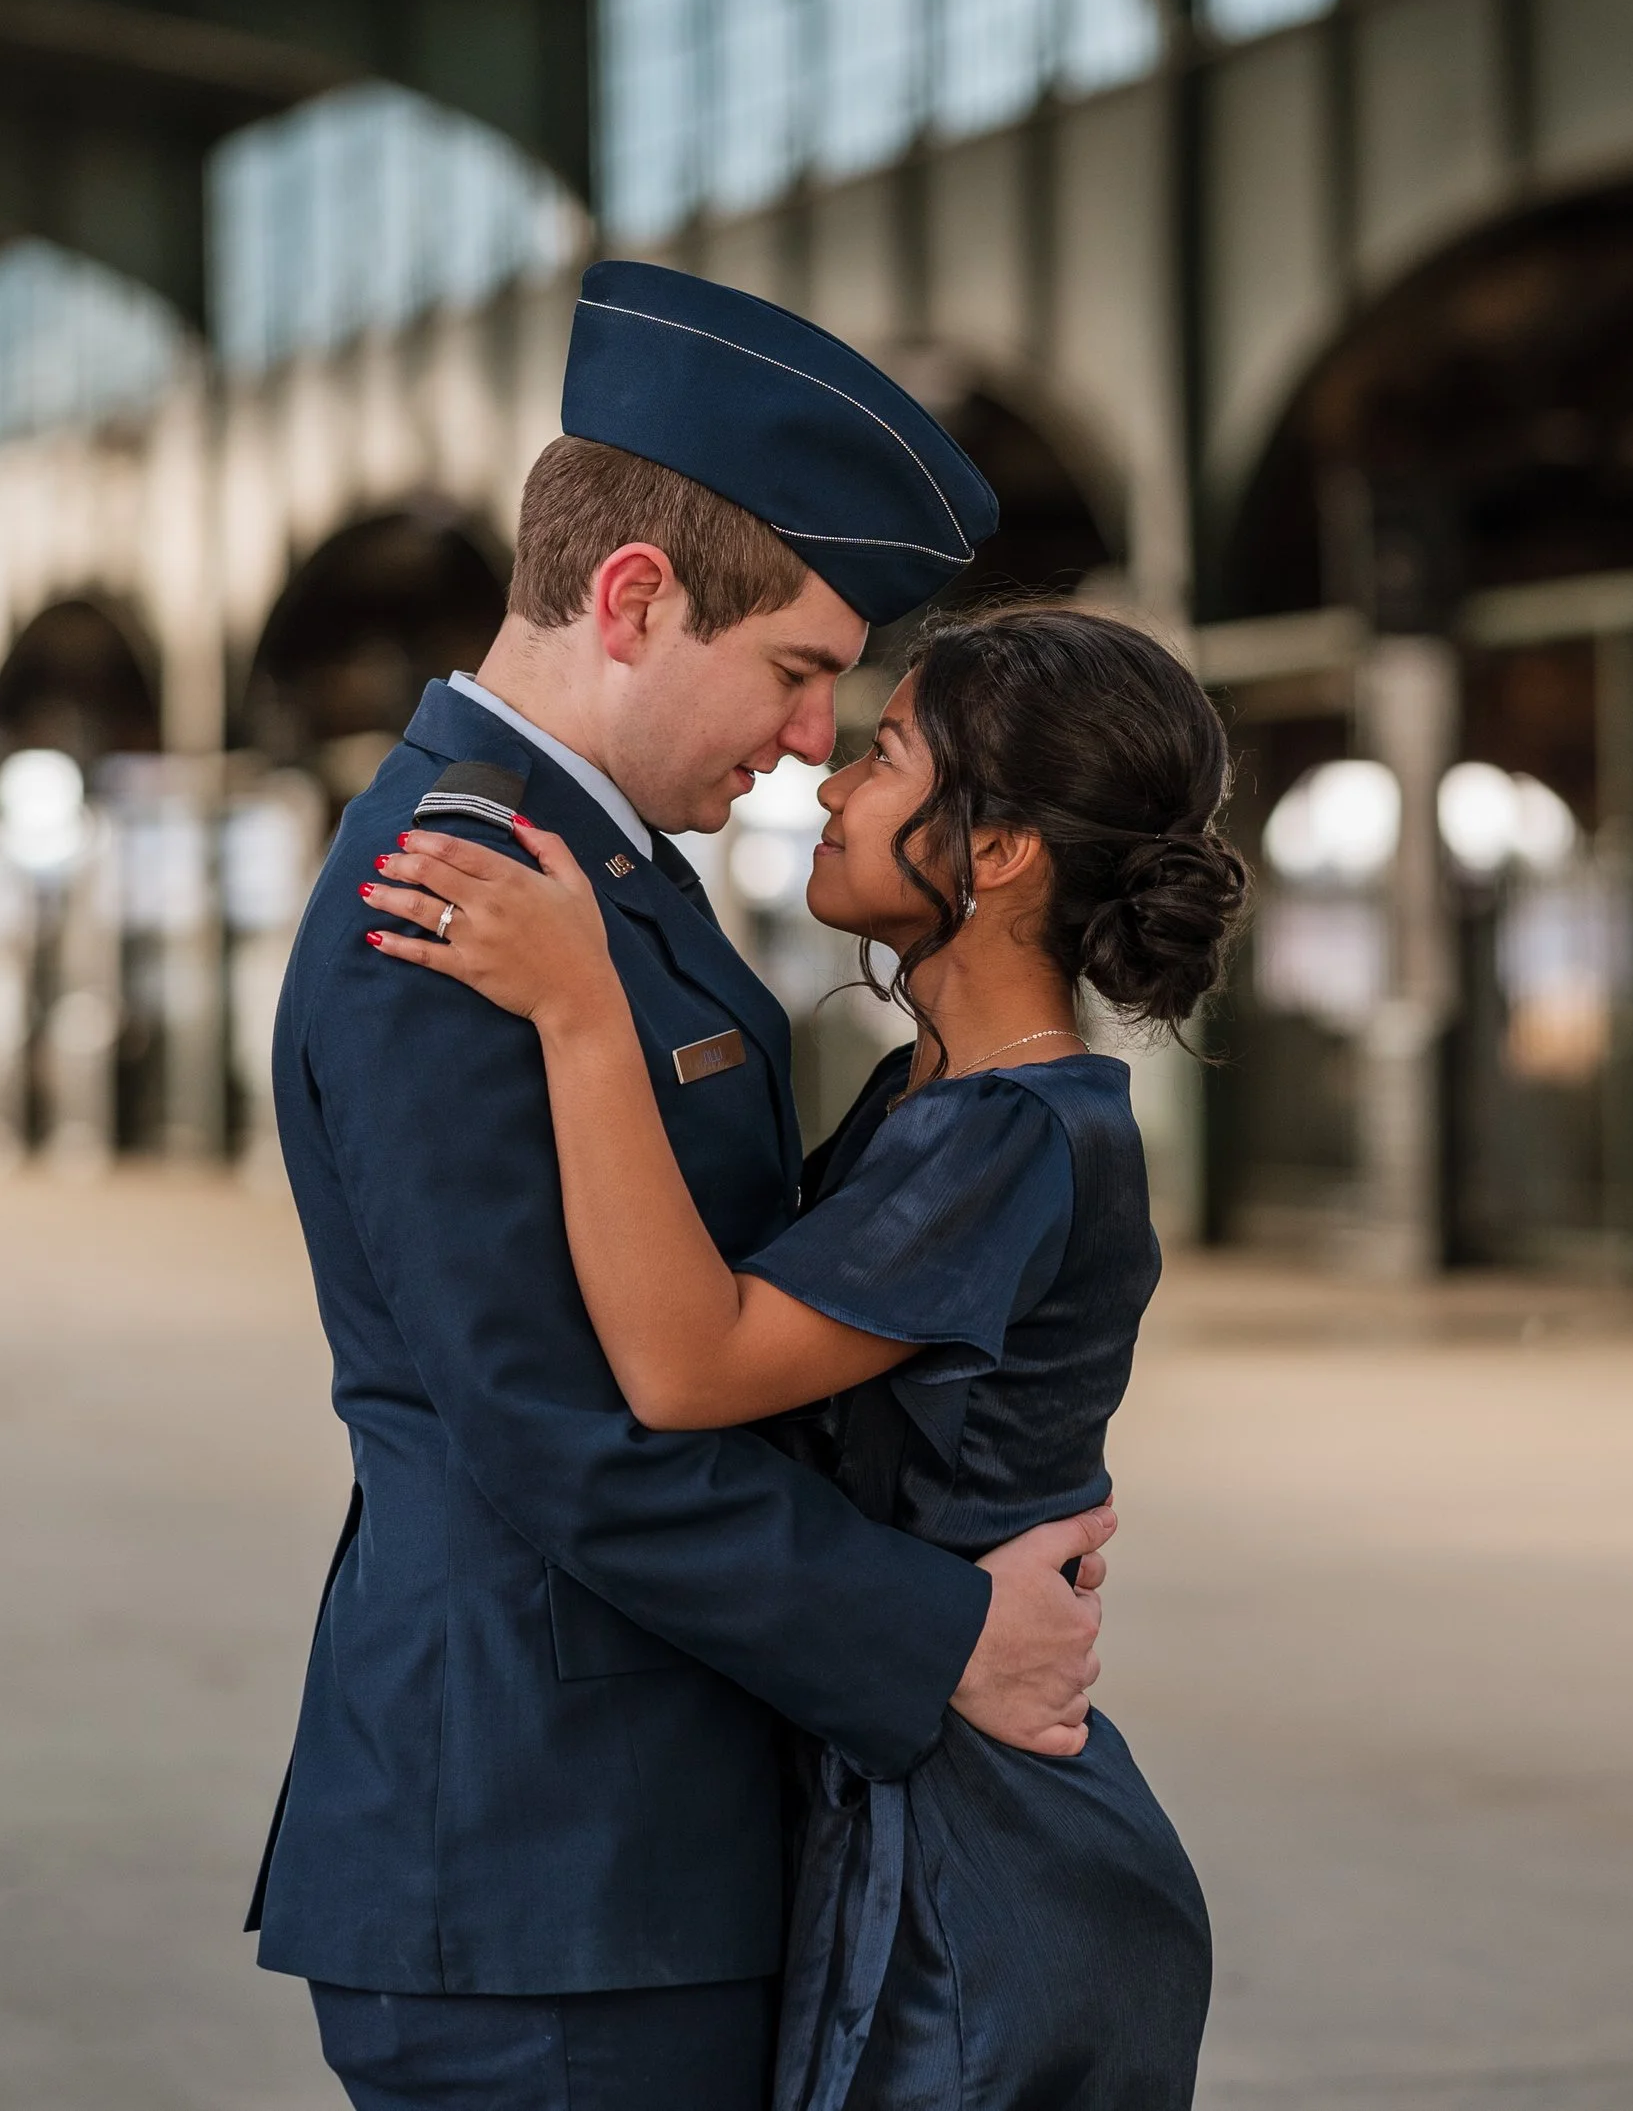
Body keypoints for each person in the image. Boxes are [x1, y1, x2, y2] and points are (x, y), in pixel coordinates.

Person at [249, 260, 1118, 2111]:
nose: (815, 739)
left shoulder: (590, 874)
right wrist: (945, 1639)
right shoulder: (458, 898)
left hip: (622, 1837)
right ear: (635, 599)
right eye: (801, 669)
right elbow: (558, 1430)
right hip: (548, 1866)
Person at [364, 599, 1249, 2111]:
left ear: (998, 851)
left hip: (979, 1876)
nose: (830, 779)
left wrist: (582, 1012)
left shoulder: (1018, 1134)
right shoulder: (938, 1094)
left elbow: (688, 1367)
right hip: (907, 1780)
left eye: (890, 752)